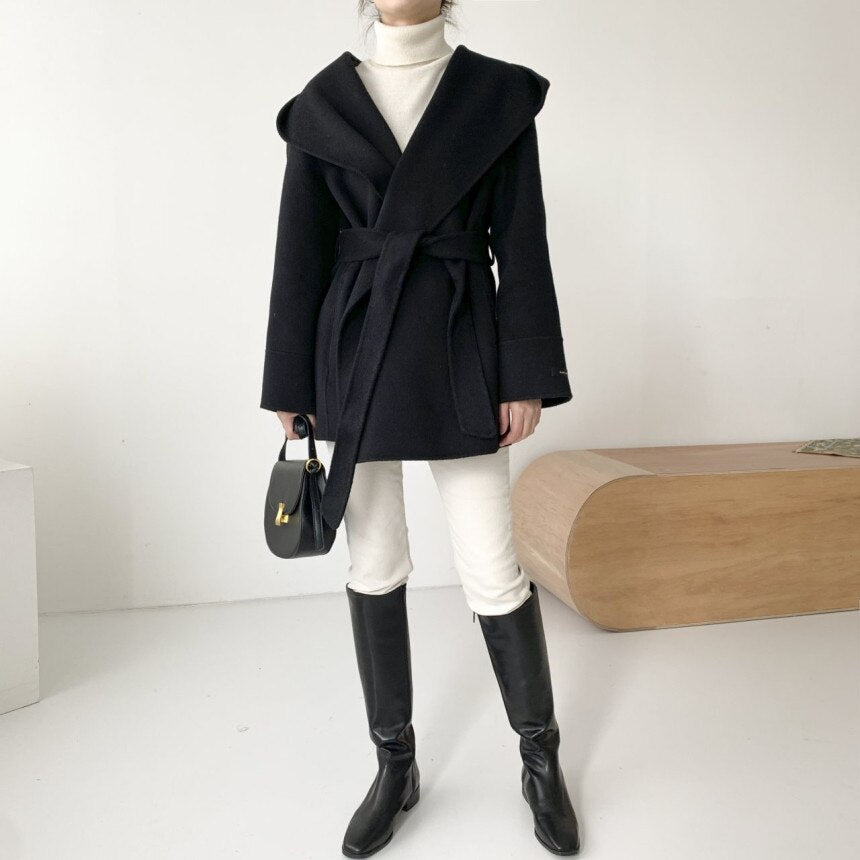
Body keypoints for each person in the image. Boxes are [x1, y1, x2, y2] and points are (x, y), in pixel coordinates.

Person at [260, 1, 579, 855]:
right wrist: (290, 384)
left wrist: (524, 375)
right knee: (374, 562)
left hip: (461, 348)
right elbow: (300, 253)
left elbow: (522, 241)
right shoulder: (323, 105)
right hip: (354, 355)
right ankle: (393, 765)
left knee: (492, 567)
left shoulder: (496, 98)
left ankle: (540, 758)